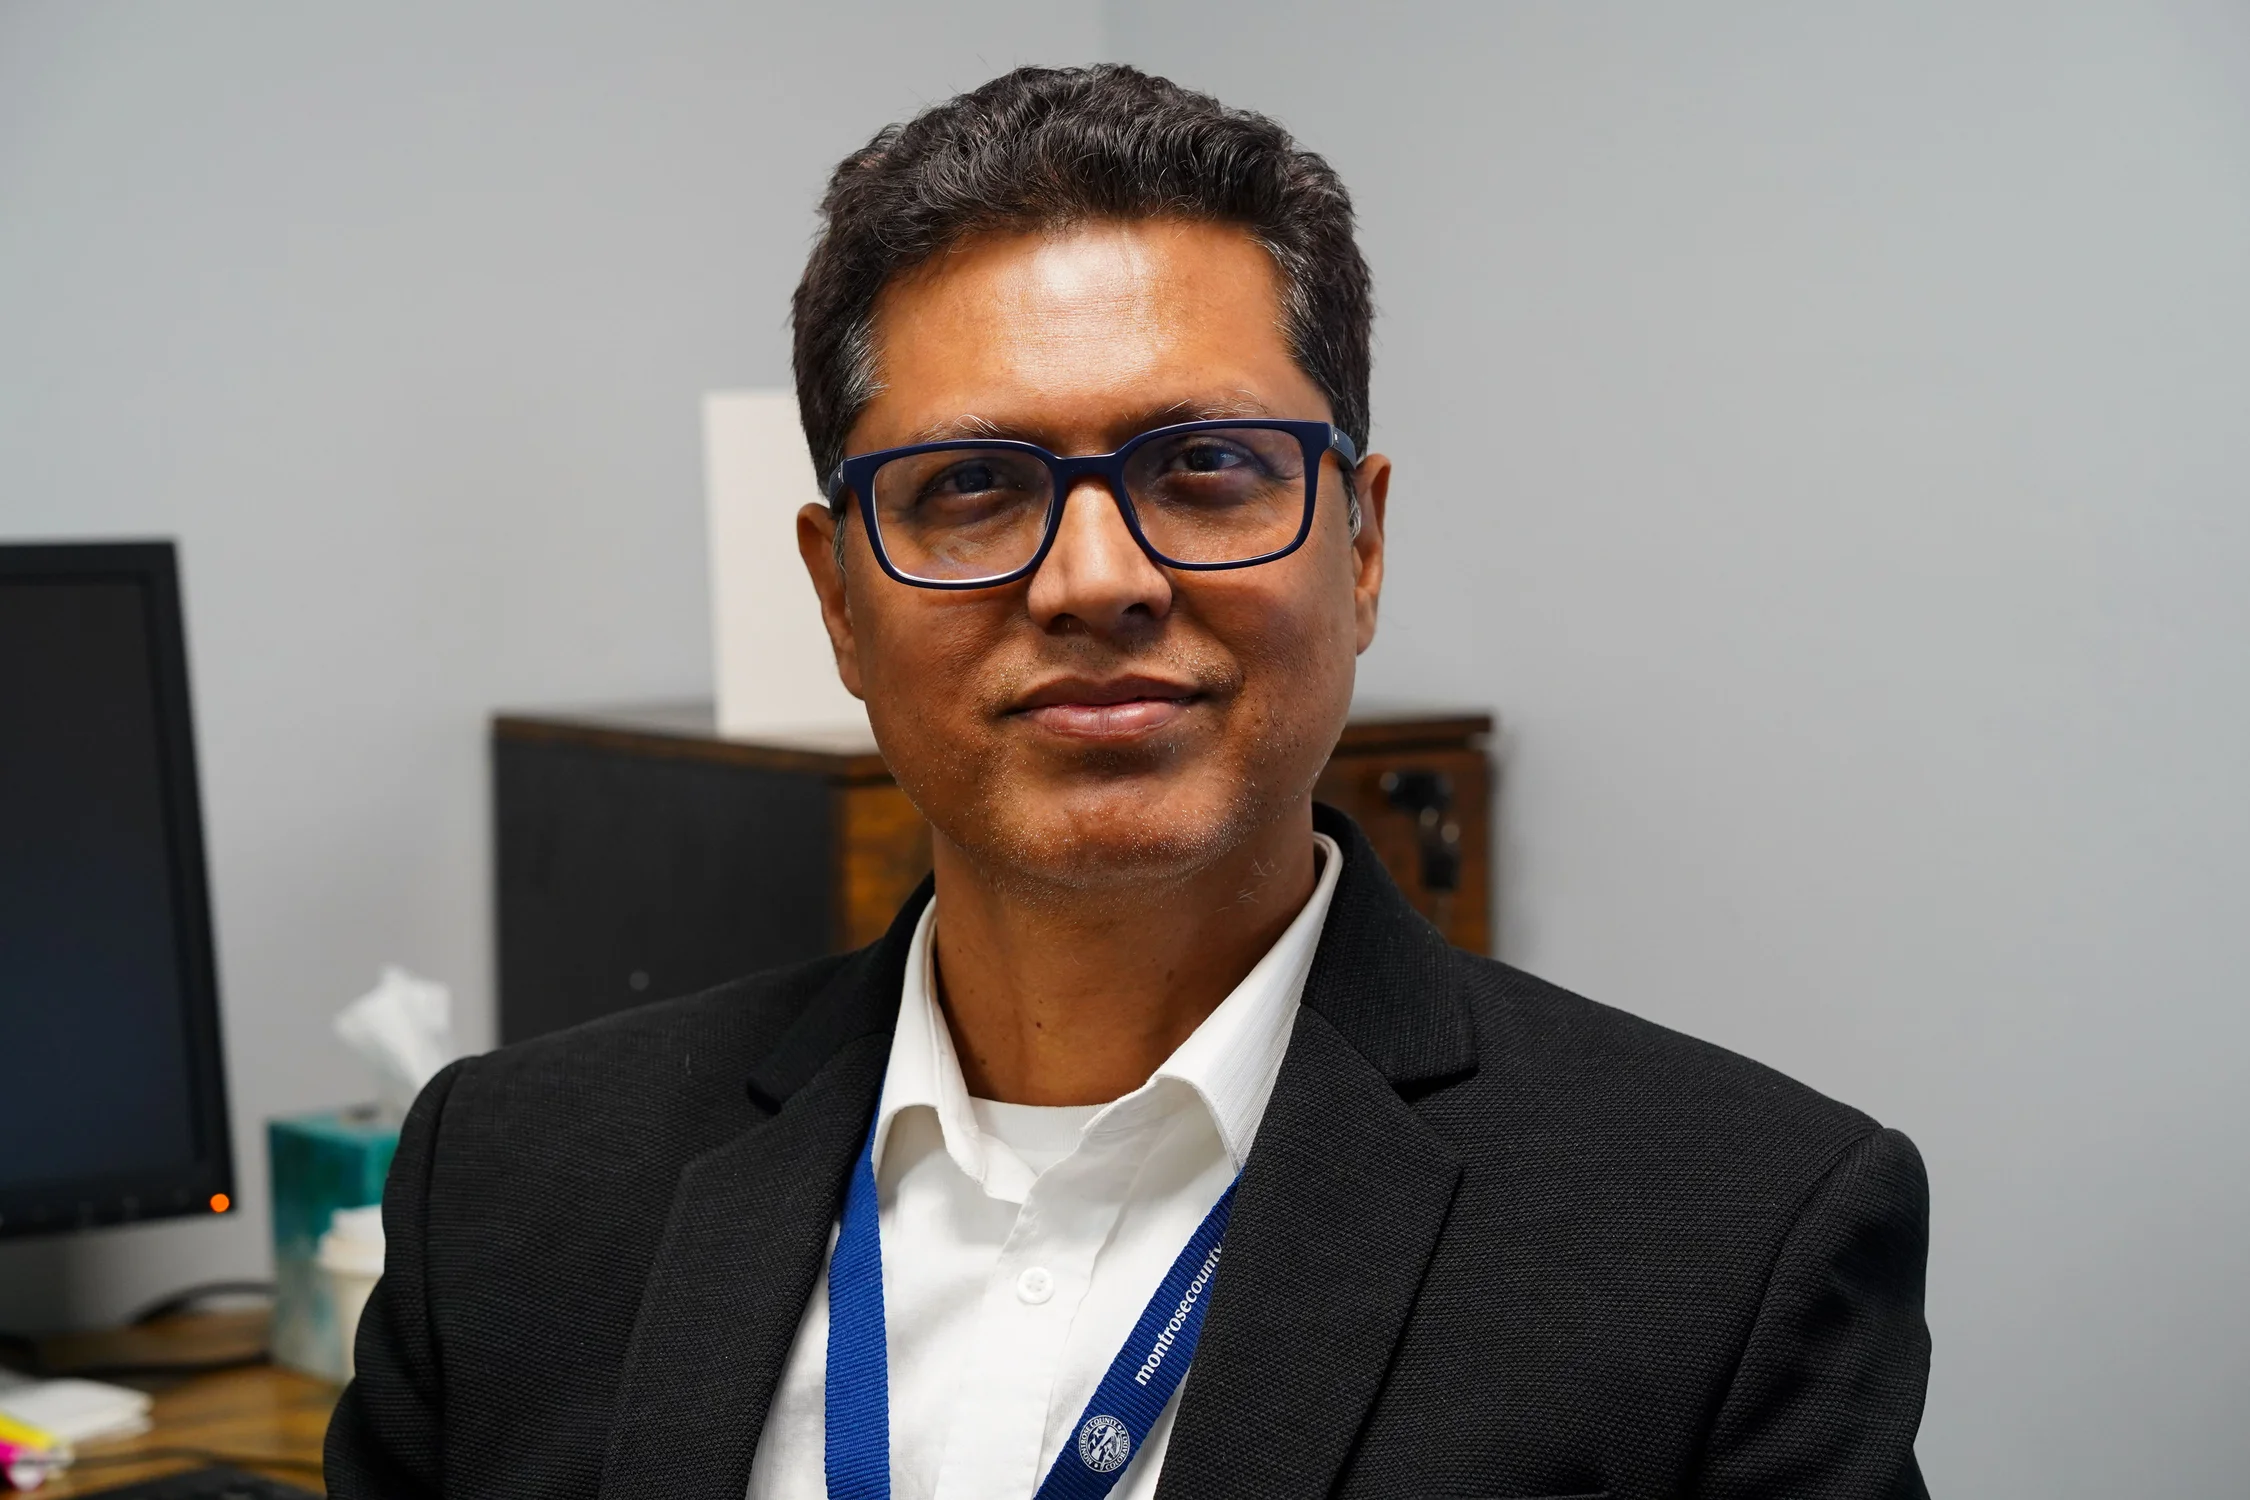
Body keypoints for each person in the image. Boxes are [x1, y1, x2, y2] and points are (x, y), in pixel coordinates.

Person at [326, 65, 1930, 1500]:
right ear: (836, 597)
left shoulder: (1731, 1241)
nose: (1094, 579)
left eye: (1207, 468)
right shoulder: (512, 1187)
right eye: (969, 488)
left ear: (1358, 547)